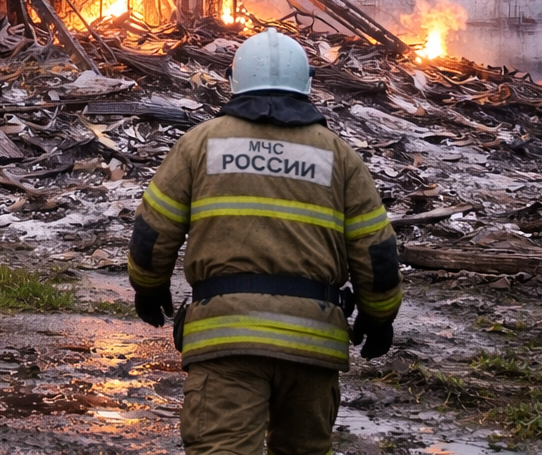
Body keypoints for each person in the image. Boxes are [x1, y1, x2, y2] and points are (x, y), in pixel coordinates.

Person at [128, 28, 402, 455]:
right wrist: (379, 315)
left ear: (235, 82)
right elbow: (378, 252)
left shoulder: (200, 143)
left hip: (225, 341)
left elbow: (151, 233)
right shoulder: (338, 155)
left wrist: (148, 288)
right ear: (306, 85)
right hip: (313, 346)